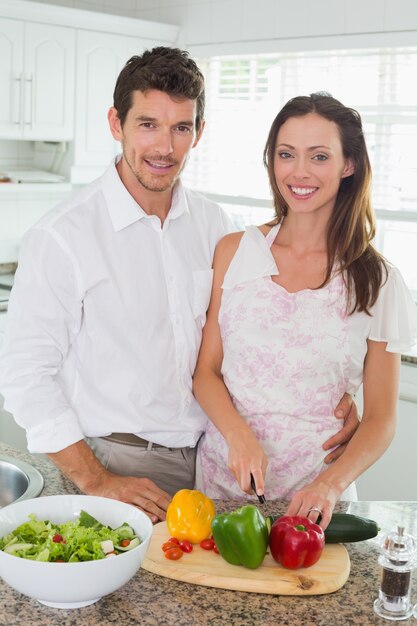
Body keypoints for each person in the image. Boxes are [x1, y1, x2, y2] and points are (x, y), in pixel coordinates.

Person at [0, 51, 357, 524]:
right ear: (116, 123)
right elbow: (25, 377)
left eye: (181, 128)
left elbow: (265, 327)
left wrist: (347, 397)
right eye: (147, 123)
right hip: (115, 464)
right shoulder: (63, 236)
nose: (164, 147)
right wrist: (97, 480)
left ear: (199, 132)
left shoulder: (217, 227)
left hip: (214, 463)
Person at [193, 92, 417, 529]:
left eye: (318, 157)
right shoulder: (235, 251)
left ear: (348, 164)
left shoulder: (377, 280)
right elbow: (206, 372)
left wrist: (330, 485)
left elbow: (381, 420)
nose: (299, 172)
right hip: (222, 488)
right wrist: (239, 437)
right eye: (286, 154)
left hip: (316, 503)